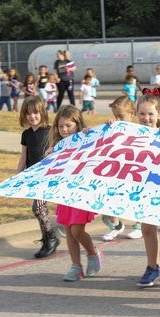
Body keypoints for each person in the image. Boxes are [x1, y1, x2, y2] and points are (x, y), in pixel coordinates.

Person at [48, 104, 102, 281]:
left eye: (68, 126)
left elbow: (101, 148)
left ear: (77, 125)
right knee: (69, 231)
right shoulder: (57, 145)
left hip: (82, 192)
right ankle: (75, 266)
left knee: (77, 231)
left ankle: (93, 253)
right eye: (61, 126)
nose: (64, 130)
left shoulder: (86, 139)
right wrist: (49, 155)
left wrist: (105, 127)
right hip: (65, 193)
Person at [16, 96, 60, 259]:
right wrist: (18, 175)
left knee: (38, 208)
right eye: (28, 114)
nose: (32, 117)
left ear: (42, 112)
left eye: (35, 113)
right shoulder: (26, 134)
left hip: (47, 176)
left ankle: (50, 239)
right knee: (39, 209)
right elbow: (23, 156)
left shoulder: (50, 131)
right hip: (33, 176)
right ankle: (49, 238)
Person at [135, 93, 160, 287]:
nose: (146, 118)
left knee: (148, 227)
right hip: (141, 187)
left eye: (150, 114)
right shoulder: (132, 134)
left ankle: (153, 267)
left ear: (159, 114)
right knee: (147, 228)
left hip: (159, 188)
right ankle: (155, 264)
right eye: (141, 114)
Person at [101, 96, 143, 242]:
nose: (117, 119)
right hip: (118, 169)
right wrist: (108, 127)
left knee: (136, 196)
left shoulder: (140, 131)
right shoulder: (114, 128)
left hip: (136, 170)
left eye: (120, 116)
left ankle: (139, 225)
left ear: (132, 113)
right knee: (113, 195)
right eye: (115, 116)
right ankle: (116, 225)